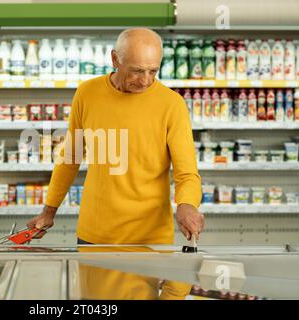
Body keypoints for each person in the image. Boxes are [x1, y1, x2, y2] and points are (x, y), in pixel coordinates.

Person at [26, 28, 204, 245]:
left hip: (151, 238)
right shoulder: (87, 93)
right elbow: (70, 158)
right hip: (95, 235)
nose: (146, 81)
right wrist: (49, 211)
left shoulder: (172, 105)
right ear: (114, 59)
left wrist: (187, 204)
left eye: (153, 71)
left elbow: (187, 173)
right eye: (137, 71)